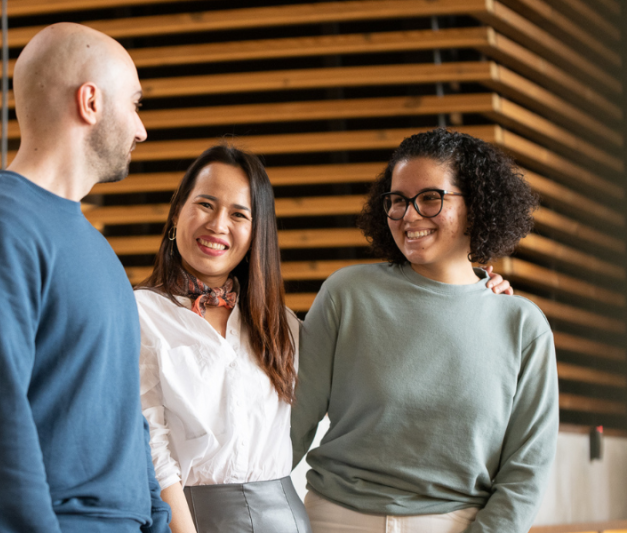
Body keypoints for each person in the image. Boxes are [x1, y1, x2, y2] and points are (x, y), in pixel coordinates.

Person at [0, 23, 170, 533]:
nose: (142, 130)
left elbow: (124, 418)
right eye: (135, 104)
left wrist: (159, 520)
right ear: (91, 102)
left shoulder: (97, 249)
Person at [291, 128, 558, 533]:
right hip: (334, 519)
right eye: (397, 201)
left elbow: (527, 469)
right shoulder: (347, 294)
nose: (409, 215)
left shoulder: (522, 325)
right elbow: (290, 425)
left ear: (477, 205)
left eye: (430, 198)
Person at [135, 145, 311, 532]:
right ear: (178, 211)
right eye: (205, 205)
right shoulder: (140, 312)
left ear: (255, 234)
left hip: (285, 518)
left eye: (238, 214)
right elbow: (151, 446)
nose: (218, 225)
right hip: (188, 518)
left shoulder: (281, 323)